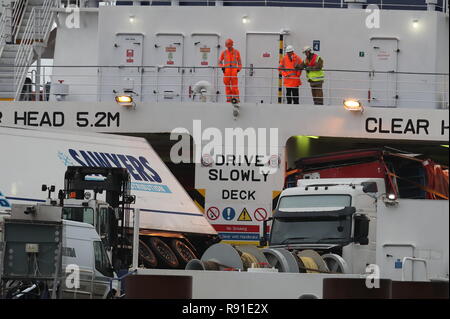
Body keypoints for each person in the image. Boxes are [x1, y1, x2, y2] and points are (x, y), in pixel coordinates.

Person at [219, 38, 242, 103]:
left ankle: (236, 99)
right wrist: (222, 67)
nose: (228, 47)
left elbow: (240, 63)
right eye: (227, 45)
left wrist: (238, 69)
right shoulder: (224, 53)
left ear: (232, 45)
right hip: (226, 71)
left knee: (234, 86)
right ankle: (229, 99)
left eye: (229, 45)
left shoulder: (237, 52)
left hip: (234, 71)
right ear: (226, 45)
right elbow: (220, 62)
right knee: (227, 86)